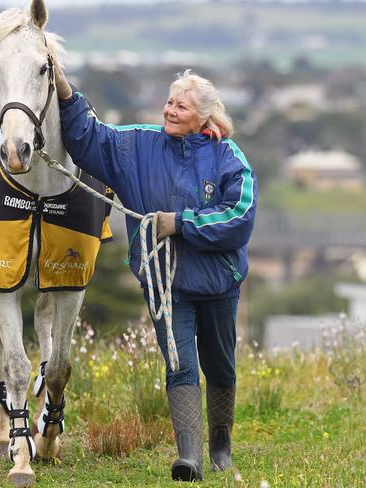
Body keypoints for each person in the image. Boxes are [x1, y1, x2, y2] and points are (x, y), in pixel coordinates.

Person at [54, 67, 257, 482]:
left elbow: (239, 217)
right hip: (165, 282)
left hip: (219, 282)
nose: (170, 110)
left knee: (220, 365)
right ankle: (190, 458)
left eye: (181, 105)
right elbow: (88, 139)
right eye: (169, 102)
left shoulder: (228, 157)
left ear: (203, 116)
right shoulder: (136, 146)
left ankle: (220, 445)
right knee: (178, 364)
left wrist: (179, 223)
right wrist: (66, 93)